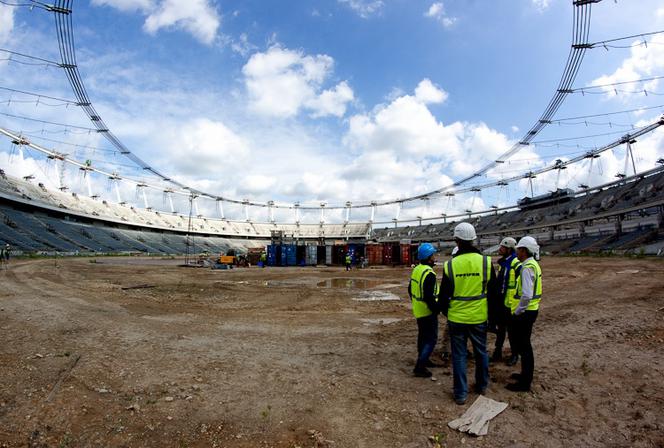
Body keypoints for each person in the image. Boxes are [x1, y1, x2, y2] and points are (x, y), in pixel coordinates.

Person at [439, 222, 499, 405]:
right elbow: (495, 295)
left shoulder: (450, 265)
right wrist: (493, 319)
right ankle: (481, 385)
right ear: (473, 239)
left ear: (457, 240)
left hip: (456, 318)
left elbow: (443, 298)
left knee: (459, 356)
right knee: (481, 352)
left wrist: (448, 313)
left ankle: (460, 394)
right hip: (478, 317)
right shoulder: (485, 262)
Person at [506, 236, 542, 392]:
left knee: (525, 347)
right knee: (525, 346)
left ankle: (525, 382)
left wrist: (518, 312)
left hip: (525, 313)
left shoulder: (527, 267)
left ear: (524, 251)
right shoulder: (534, 264)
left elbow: (526, 295)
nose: (517, 253)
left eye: (519, 250)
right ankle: (525, 375)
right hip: (532, 310)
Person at [408, 242, 440, 378]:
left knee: (422, 337)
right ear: (428, 257)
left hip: (418, 310)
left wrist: (415, 302)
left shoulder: (417, 269)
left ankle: (424, 359)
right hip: (427, 312)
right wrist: (436, 309)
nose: (434, 257)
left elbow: (410, 289)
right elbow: (429, 297)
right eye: (433, 254)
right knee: (431, 339)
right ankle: (420, 366)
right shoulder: (429, 274)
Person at [491, 237, 521, 366]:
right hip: (501, 302)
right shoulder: (503, 263)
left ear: (509, 249)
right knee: (501, 329)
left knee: (513, 331)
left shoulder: (515, 263)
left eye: (502, 247)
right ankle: (497, 352)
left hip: (510, 304)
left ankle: (515, 355)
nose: (500, 249)